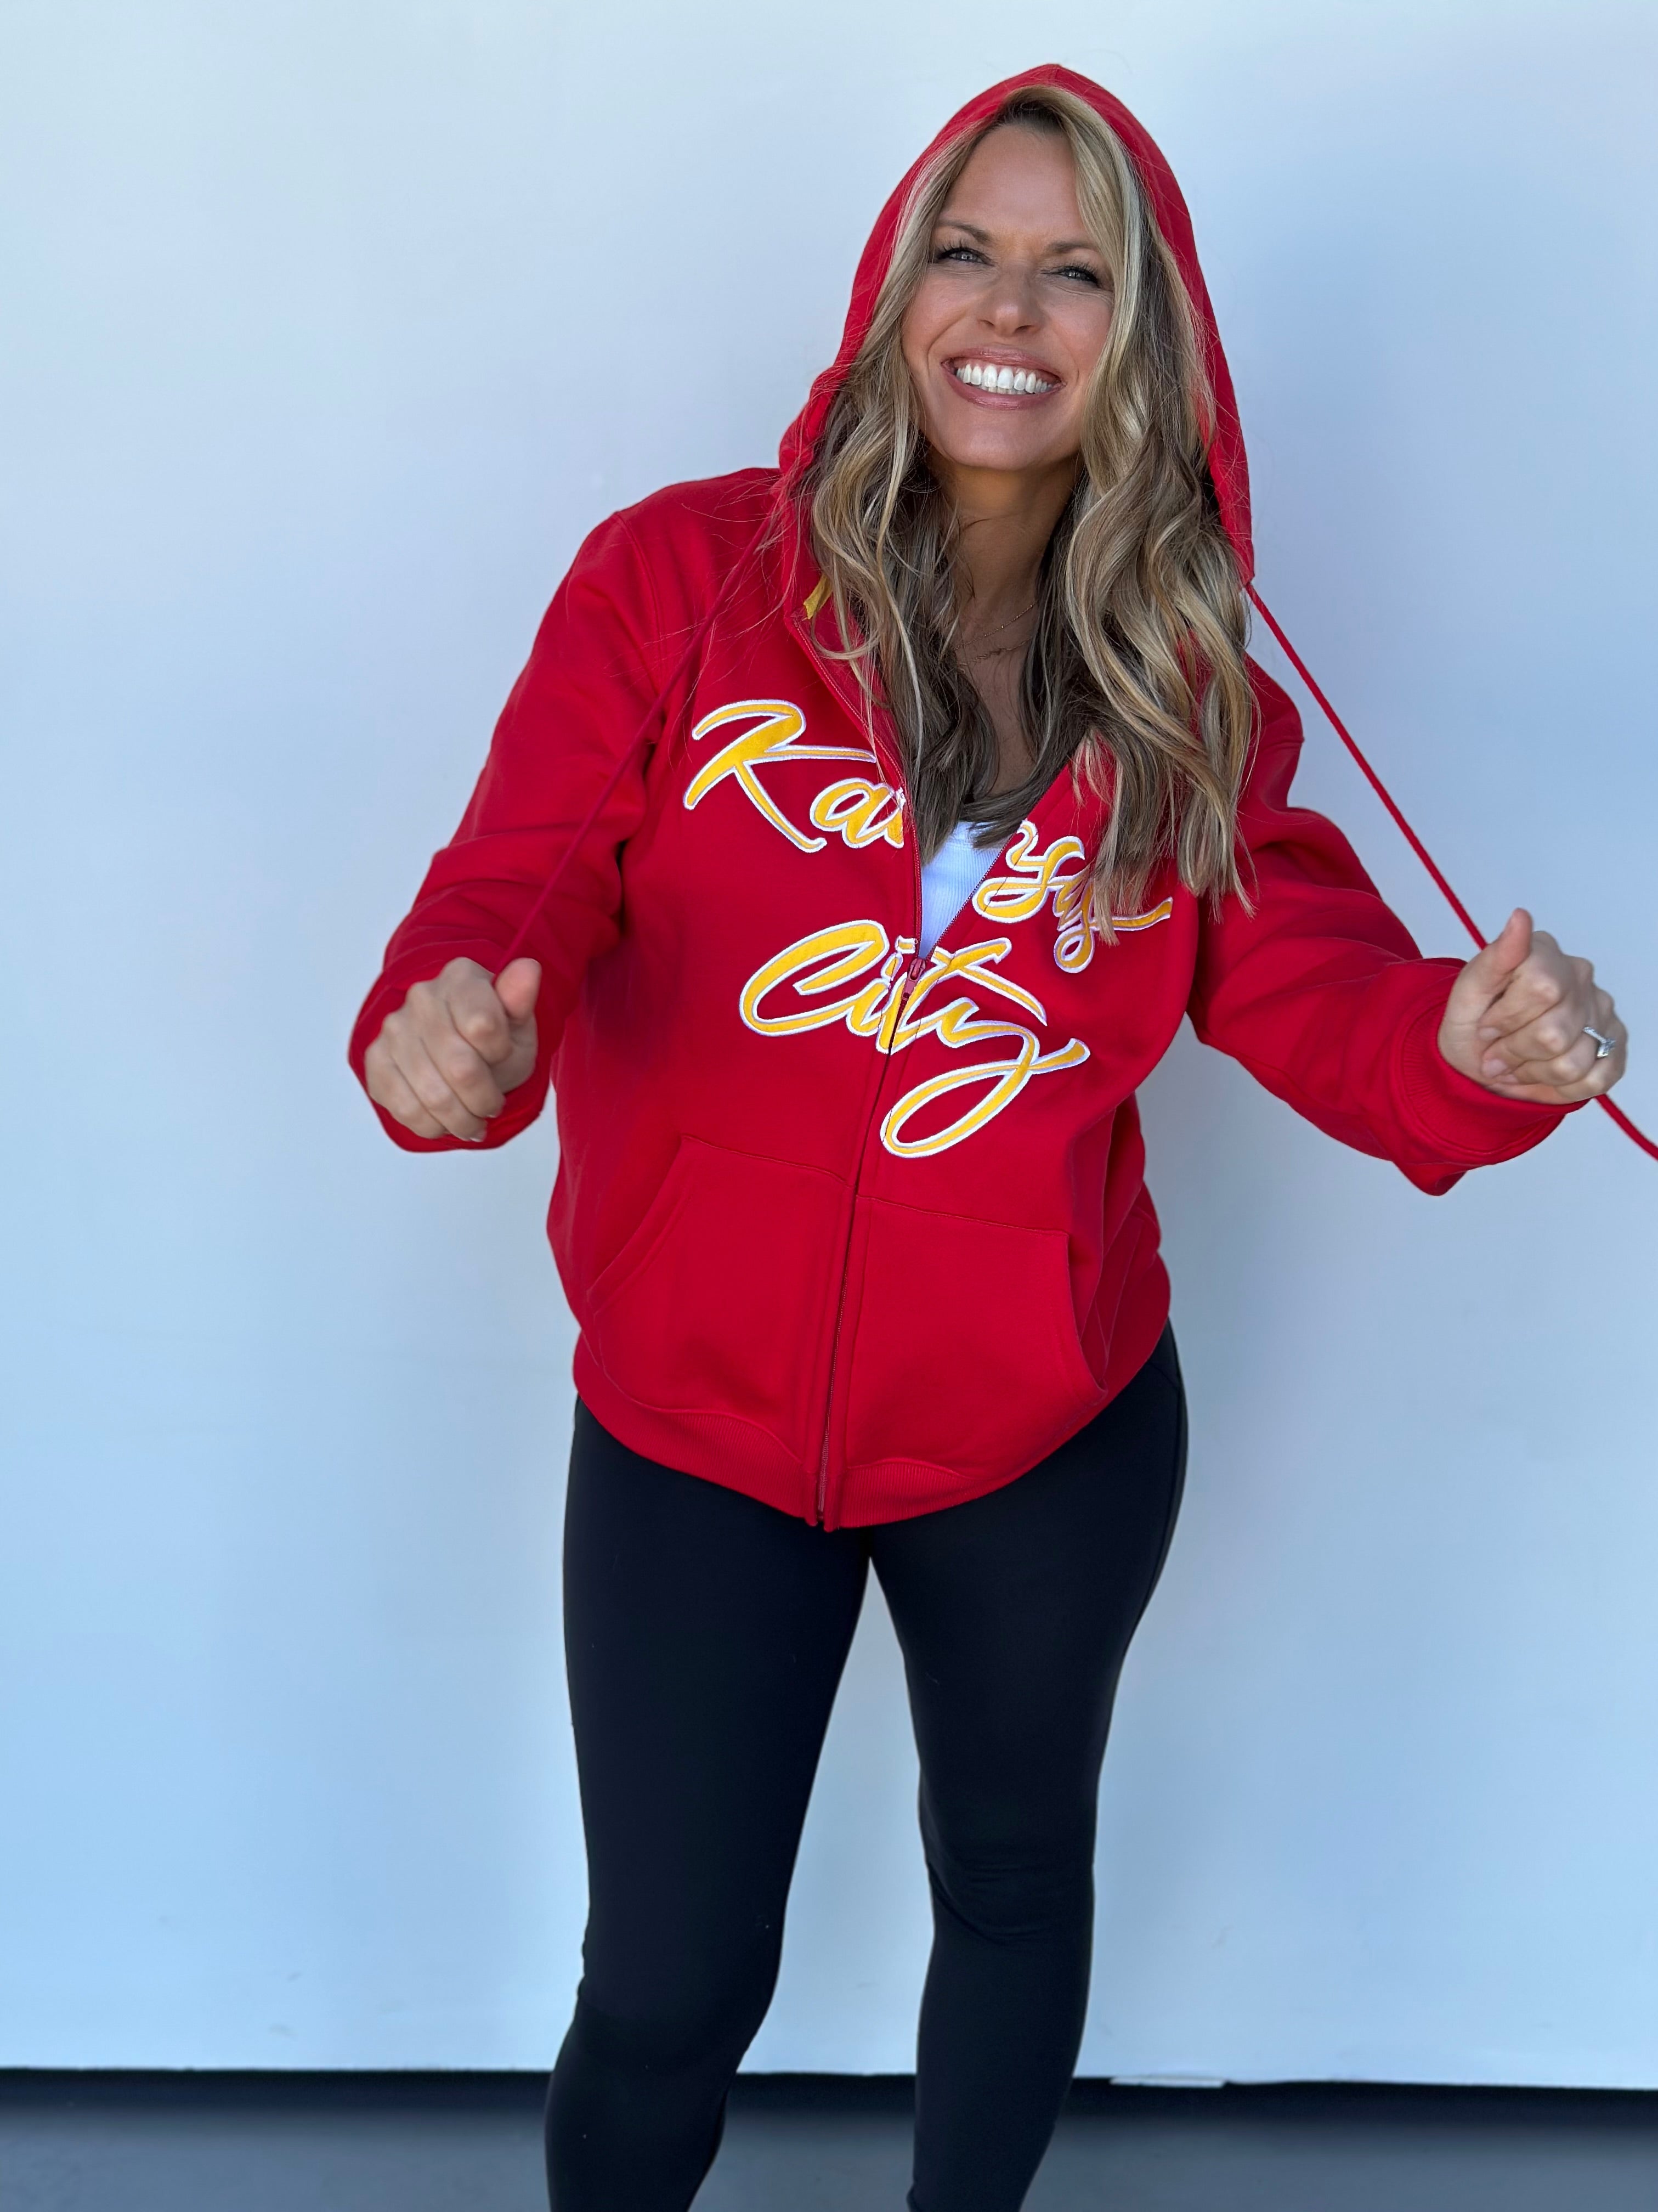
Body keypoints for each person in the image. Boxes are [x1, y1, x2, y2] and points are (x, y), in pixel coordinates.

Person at [348, 65, 1627, 2212]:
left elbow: (1320, 996)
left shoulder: (1185, 691)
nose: (1010, 308)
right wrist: (447, 1027)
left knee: (1015, 1891)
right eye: (968, 248)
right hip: (694, 1422)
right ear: (895, 285)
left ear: (1146, 336)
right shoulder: (680, 584)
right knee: (665, 1982)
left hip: (1049, 1424)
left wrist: (1475, 1048)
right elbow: (514, 896)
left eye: (1075, 270)